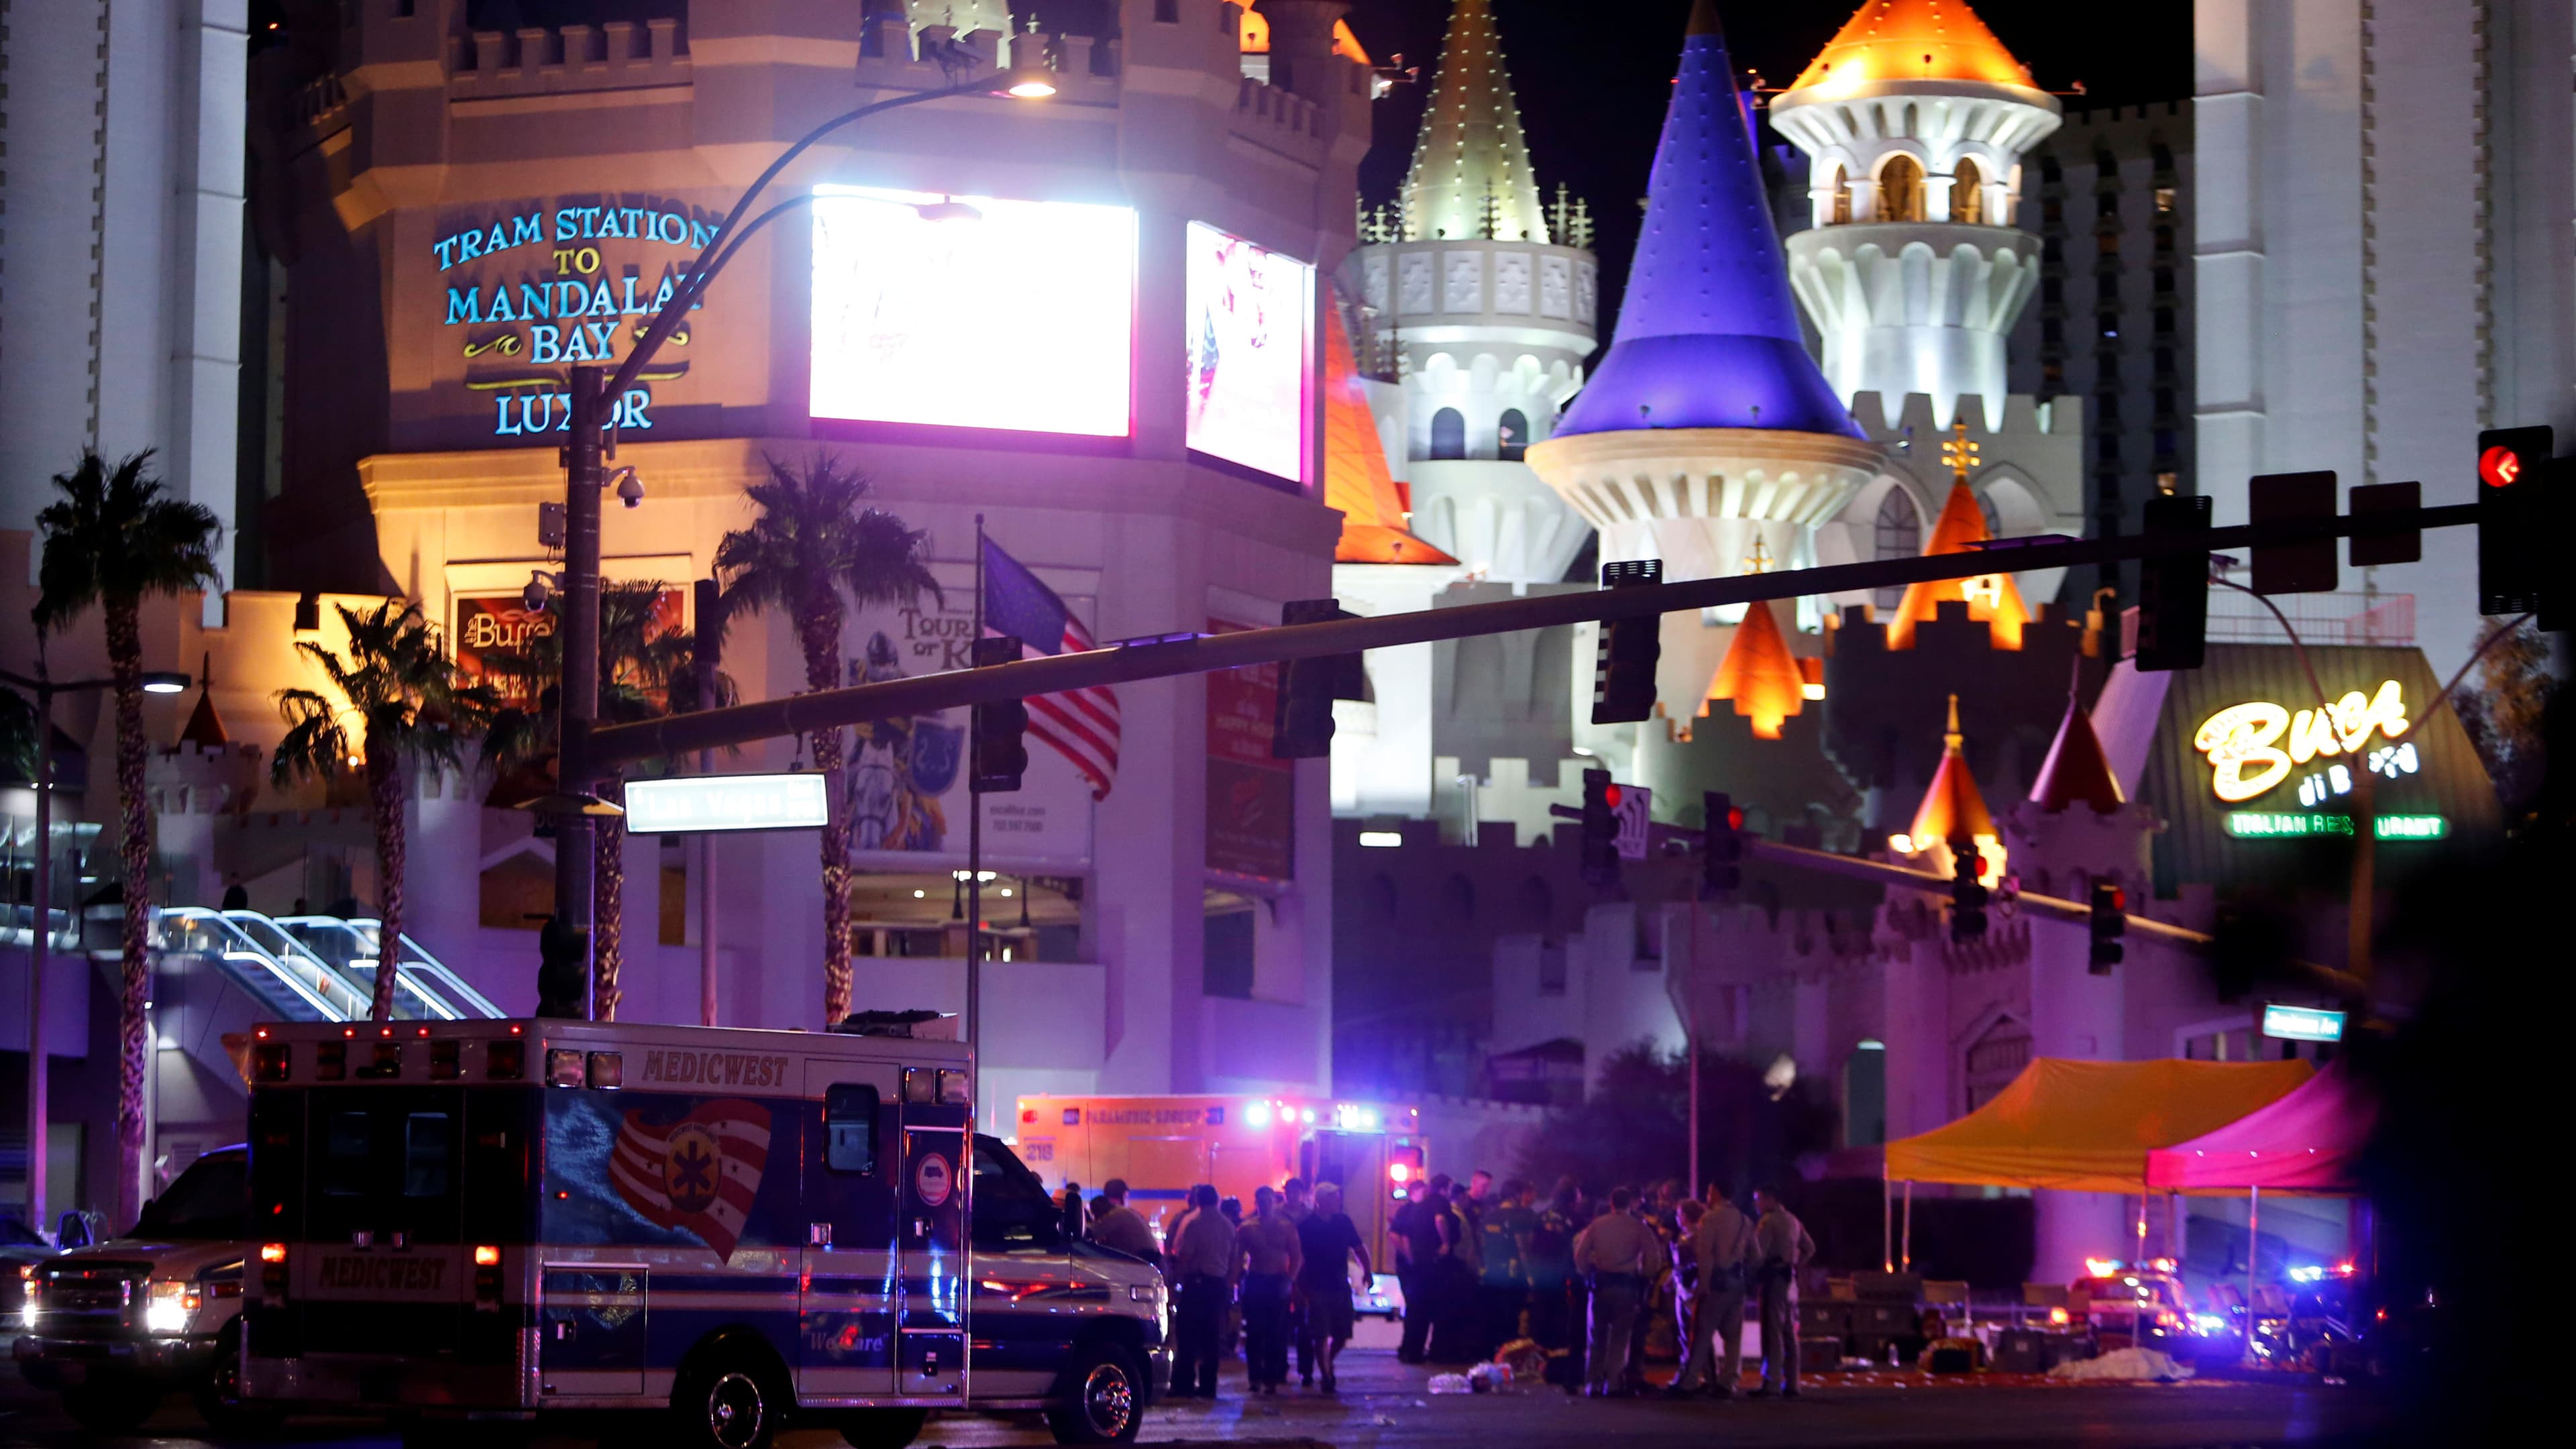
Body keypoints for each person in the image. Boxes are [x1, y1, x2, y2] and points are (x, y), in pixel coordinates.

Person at [1573, 1186, 1658, 1397]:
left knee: (1597, 1336)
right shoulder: (1639, 1227)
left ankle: (1593, 1383)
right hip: (1627, 1287)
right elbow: (1653, 1259)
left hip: (1601, 1284)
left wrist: (1587, 1274)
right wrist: (1644, 1277)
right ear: (1629, 1204)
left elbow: (1580, 1255)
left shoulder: (1597, 1226)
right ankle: (1613, 1383)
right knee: (1621, 1338)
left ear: (1611, 1203)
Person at [1677, 1183, 1758, 1398]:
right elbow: (1756, 1256)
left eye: (1710, 1192)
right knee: (1733, 1337)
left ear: (1717, 1193)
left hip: (1716, 1282)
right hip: (1737, 1283)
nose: (1708, 1196)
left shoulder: (1710, 1219)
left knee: (1703, 1333)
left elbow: (1705, 1256)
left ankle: (1690, 1380)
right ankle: (1728, 1381)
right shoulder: (1745, 1220)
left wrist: (1703, 1285)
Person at [1295, 1181, 1369, 1393]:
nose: (1338, 1201)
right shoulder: (1306, 1226)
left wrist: (1368, 1271)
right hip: (1316, 1285)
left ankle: (1327, 1361)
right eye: (1334, 1197)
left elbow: (1358, 1248)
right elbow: (1297, 1257)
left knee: (1342, 1333)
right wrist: (1297, 1285)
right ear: (1322, 1200)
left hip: (1339, 1284)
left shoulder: (1343, 1222)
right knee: (1320, 1333)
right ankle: (1327, 1375)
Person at [1170, 1184, 1236, 1399]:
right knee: (1212, 1337)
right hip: (1218, 1285)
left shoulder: (1194, 1223)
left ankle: (1184, 1384)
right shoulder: (1228, 1225)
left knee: (1188, 1334)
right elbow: (1233, 1258)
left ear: (1198, 1201)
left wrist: (1175, 1283)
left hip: (1197, 1284)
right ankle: (1209, 1386)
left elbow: (1186, 1256)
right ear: (1217, 1200)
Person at [1750, 1185, 1816, 1399]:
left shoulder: (1768, 1222)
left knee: (1773, 1331)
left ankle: (1772, 1382)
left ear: (1770, 1199)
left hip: (1773, 1280)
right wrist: (1795, 1264)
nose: (1756, 1204)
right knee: (1789, 1332)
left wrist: (1750, 1275)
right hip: (1790, 1280)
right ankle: (1793, 1382)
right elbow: (1810, 1248)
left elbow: (1758, 1254)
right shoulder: (1793, 1220)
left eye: (1758, 1199)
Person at [1235, 1186, 1303, 1393]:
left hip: (1277, 1281)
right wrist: (1237, 1283)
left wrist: (1289, 1280)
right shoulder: (1248, 1228)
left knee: (1276, 1332)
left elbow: (1297, 1256)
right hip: (1257, 1280)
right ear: (1257, 1203)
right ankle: (1256, 1377)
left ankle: (1272, 1377)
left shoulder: (1286, 1227)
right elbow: (1237, 1258)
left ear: (1274, 1201)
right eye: (1261, 1201)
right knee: (1255, 1332)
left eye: (1268, 1201)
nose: (1265, 1205)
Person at [1473, 1177, 1538, 1360]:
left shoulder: (1490, 1216)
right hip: (1513, 1276)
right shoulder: (1522, 1216)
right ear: (1517, 1195)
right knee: (1512, 1319)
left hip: (1491, 1274)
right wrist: (1531, 1277)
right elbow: (1524, 1248)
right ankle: (1508, 1357)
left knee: (1493, 1317)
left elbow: (1481, 1244)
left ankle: (1489, 1355)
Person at [1393, 1175, 1451, 1363]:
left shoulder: (1412, 1210)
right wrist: (1445, 1243)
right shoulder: (1414, 1210)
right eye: (1422, 1190)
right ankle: (1413, 1351)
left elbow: (1398, 1235)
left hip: (1412, 1266)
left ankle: (1409, 1350)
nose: (1425, 1194)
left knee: (1416, 1309)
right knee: (1420, 1309)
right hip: (1419, 1266)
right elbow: (1401, 1237)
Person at [1525, 1184, 1579, 1385]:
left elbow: (1530, 1243)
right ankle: (1556, 1362)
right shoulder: (1573, 1218)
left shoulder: (1540, 1216)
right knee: (1560, 1317)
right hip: (1561, 1274)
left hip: (1540, 1272)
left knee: (1539, 1314)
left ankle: (1537, 1355)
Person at [1279, 1177, 1316, 1385]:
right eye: (1289, 1192)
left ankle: (1306, 1370)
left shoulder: (1311, 1216)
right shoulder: (1276, 1215)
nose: (1292, 1196)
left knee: (1304, 1324)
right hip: (1281, 1273)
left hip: (1304, 1276)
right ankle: (1280, 1367)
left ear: (1302, 1194)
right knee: (1280, 1324)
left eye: (1296, 1192)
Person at [1087, 1179, 1161, 1267]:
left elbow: (1092, 1232)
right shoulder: (1125, 1212)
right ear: (1123, 1196)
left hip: (1144, 1266)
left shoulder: (1116, 1214)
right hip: (1150, 1264)